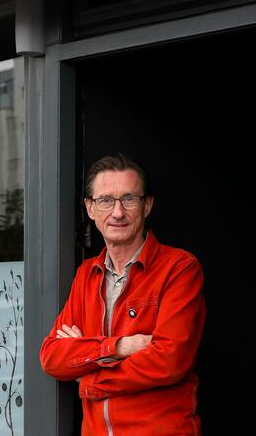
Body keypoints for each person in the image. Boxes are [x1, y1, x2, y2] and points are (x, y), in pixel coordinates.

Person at [40, 153, 206, 435]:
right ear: (90, 209)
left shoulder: (179, 268)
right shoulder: (86, 274)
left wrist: (89, 377)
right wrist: (119, 347)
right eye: (105, 200)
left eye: (129, 199)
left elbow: (169, 360)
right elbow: (52, 356)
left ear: (147, 205)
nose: (118, 212)